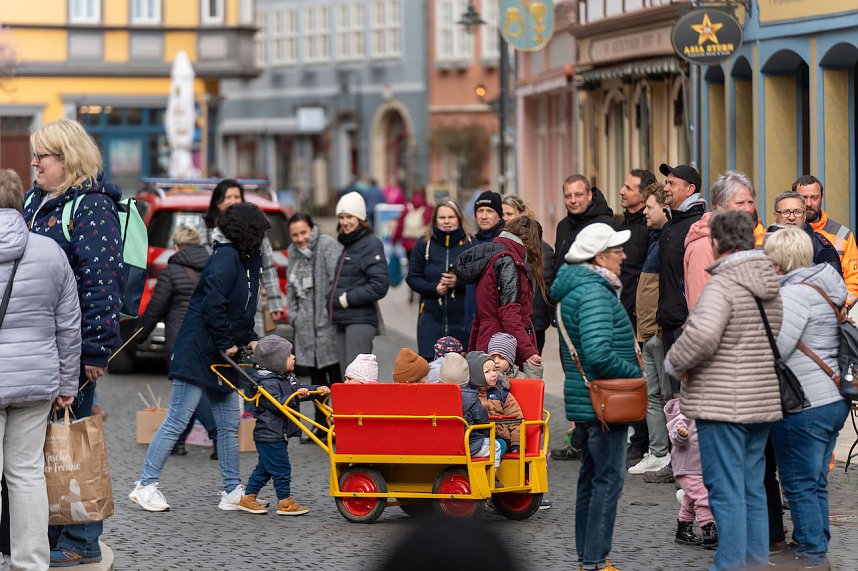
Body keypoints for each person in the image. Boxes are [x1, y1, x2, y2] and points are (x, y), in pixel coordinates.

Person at [22, 119, 124, 567]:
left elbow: (103, 284)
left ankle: (81, 539)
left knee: (73, 441)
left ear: (67, 159)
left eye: (42, 156)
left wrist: (95, 351)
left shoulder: (90, 208)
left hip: (72, 350)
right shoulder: (36, 201)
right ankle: (48, 529)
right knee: (46, 445)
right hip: (37, 349)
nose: (34, 163)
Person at [129, 202, 270, 513]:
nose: (264, 240)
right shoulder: (225, 258)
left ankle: (232, 489)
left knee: (229, 423)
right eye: (260, 233)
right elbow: (214, 305)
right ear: (248, 232)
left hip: (219, 353)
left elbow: (242, 309)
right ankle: (145, 485)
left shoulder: (247, 260)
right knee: (178, 419)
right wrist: (227, 341)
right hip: (198, 349)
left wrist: (251, 340)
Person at [664, 210, 783, 571]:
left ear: (717, 243)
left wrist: (673, 363)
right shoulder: (768, 283)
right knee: (752, 487)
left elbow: (700, 336)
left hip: (723, 401)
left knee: (726, 489)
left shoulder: (723, 284)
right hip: (761, 399)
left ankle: (730, 564)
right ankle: (755, 561)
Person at [0, 169, 80, 570]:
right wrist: (68, 383)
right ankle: (31, 563)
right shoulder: (50, 251)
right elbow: (68, 325)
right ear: (19, 201)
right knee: (27, 474)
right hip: (35, 383)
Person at [552, 222, 641, 571]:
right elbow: (598, 353)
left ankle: (587, 559)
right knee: (606, 480)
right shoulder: (594, 293)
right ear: (600, 257)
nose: (623, 256)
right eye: (617, 251)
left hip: (586, 401)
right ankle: (595, 561)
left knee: (591, 479)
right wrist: (637, 375)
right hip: (603, 403)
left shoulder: (577, 289)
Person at [764, 227, 850, 571]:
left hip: (803, 403)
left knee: (799, 484)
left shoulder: (794, 295)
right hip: (832, 398)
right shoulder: (824, 286)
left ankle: (813, 557)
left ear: (779, 259)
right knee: (815, 482)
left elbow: (776, 349)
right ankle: (817, 548)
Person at [135, 226, 217, 458]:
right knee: (192, 389)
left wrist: (139, 336)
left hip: (181, 342)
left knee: (190, 392)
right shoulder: (212, 268)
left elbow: (155, 308)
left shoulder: (172, 271)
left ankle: (216, 434)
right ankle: (179, 441)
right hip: (207, 340)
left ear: (177, 247)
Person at [236, 335, 330, 516]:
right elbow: (277, 404)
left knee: (265, 468)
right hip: (269, 434)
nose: (293, 357)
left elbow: (300, 388)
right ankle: (285, 501)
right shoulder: (268, 383)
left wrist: (317, 390)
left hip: (277, 433)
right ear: (276, 362)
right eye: (289, 356)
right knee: (281, 468)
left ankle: (248, 498)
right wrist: (296, 395)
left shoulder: (287, 377)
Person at [454, 216, 545, 376]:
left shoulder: (493, 258)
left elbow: (480, 315)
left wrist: (473, 352)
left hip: (488, 340)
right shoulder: (508, 262)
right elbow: (509, 314)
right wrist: (528, 350)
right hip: (503, 349)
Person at [627, 184, 673, 477]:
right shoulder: (655, 240)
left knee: (668, 397)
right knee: (654, 395)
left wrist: (655, 328)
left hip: (658, 332)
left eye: (650, 206)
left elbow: (664, 290)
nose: (645, 211)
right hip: (647, 333)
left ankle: (671, 453)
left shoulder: (667, 240)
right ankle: (658, 452)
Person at [200, 178, 284, 336]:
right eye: (228, 197)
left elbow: (268, 265)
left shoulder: (255, 225)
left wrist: (275, 302)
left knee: (251, 345)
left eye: (237, 197)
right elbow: (205, 260)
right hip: (220, 296)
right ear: (217, 201)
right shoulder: (207, 226)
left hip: (251, 298)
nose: (233, 201)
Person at [286, 212, 343, 432]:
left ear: (312, 229)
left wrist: (330, 313)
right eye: (295, 235)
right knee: (316, 379)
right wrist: (294, 315)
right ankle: (320, 423)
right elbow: (291, 286)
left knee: (335, 377)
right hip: (305, 325)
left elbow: (337, 280)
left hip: (327, 323)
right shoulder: (293, 252)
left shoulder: (327, 245)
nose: (300, 238)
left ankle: (339, 422)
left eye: (303, 232)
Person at [617, 169, 656, 469]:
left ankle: (642, 441)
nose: (622, 191)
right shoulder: (621, 226)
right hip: (621, 314)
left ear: (644, 195)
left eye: (629, 188)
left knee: (644, 382)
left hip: (638, 317)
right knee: (630, 381)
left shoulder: (647, 230)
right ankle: (636, 438)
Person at [328, 192, 390, 369]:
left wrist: (346, 299)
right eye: (341, 217)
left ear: (360, 218)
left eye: (350, 217)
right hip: (342, 319)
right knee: (346, 380)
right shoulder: (348, 243)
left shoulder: (370, 243)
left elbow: (379, 285)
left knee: (357, 380)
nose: (345, 222)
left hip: (359, 321)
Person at [406, 200, 472, 359]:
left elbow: (478, 280)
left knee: (460, 371)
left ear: (459, 219)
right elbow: (412, 277)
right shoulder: (423, 244)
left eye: (451, 217)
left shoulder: (471, 244)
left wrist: (458, 282)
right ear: (435, 220)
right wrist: (433, 288)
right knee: (430, 368)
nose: (447, 221)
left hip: (462, 320)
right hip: (430, 319)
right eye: (442, 217)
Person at [683, 171, 757, 311]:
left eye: (750, 202)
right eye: (740, 203)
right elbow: (701, 306)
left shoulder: (742, 237)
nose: (748, 209)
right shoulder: (704, 244)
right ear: (720, 205)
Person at [793, 175, 858, 307]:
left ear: (822, 197)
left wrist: (841, 308)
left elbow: (853, 281)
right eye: (804, 198)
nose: (809, 203)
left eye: (814, 197)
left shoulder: (842, 234)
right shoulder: (784, 233)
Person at [502, 195, 556, 353]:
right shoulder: (500, 244)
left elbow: (542, 287)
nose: (505, 218)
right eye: (502, 214)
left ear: (522, 214)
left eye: (509, 214)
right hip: (510, 320)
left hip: (533, 322)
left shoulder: (541, 248)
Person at [665, 398, 717, 549]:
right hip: (688, 466)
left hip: (704, 464)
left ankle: (683, 529)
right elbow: (675, 435)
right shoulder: (685, 408)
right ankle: (709, 530)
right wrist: (681, 434)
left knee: (692, 497)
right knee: (703, 497)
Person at [439, 352, 499, 466]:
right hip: (466, 445)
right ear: (467, 378)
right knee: (496, 446)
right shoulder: (471, 398)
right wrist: (489, 434)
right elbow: (483, 421)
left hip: (439, 445)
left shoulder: (433, 395)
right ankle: (491, 480)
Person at [462, 190, 506, 336]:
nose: (484, 216)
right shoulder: (471, 244)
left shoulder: (505, 242)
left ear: (499, 216)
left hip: (497, 325)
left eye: (489, 211)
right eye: (480, 211)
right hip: (472, 322)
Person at [553, 174, 617, 271]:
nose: (573, 200)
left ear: (589, 195)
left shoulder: (606, 224)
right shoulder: (563, 226)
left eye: (578, 195)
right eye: (568, 196)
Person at [770, 191, 841, 275]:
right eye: (785, 212)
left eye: (797, 212)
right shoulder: (764, 244)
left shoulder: (822, 249)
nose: (792, 217)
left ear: (804, 216)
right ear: (775, 215)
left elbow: (834, 285)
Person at [470, 352, 519, 459]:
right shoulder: (469, 394)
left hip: (499, 437)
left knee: (500, 444)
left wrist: (516, 443)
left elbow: (516, 418)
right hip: (476, 438)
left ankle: (492, 471)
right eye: (487, 371)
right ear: (475, 375)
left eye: (494, 370)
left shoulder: (502, 393)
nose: (493, 374)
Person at [393, 186, 434, 268]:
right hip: (423, 243)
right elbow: (432, 226)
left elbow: (400, 226)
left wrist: (394, 240)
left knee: (411, 267)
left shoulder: (407, 208)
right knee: (423, 266)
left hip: (408, 243)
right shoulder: (429, 208)